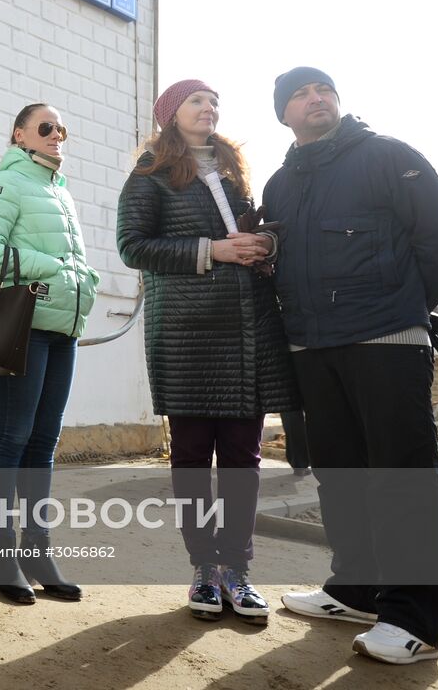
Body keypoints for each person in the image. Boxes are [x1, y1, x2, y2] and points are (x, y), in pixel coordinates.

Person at [264, 67, 438, 665]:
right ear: (283, 114)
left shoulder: (387, 156)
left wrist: (402, 308)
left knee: (401, 475)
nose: (316, 97)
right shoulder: (280, 184)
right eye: (300, 93)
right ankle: (355, 589)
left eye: (323, 88)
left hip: (385, 341)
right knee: (340, 474)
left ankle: (415, 619)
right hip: (311, 345)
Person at [116, 79, 298, 625]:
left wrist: (264, 242)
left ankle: (238, 571)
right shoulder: (151, 170)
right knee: (193, 459)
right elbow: (133, 246)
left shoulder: (233, 169)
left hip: (248, 331)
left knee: (243, 460)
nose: (209, 108)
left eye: (214, 102)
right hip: (188, 334)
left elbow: (253, 233)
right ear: (172, 114)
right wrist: (211, 250)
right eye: (197, 101)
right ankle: (203, 568)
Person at [0, 103, 99, 605]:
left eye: (62, 129)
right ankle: (1, 559)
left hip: (63, 329)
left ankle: (37, 550)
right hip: (25, 325)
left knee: (45, 440)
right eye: (46, 128)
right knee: (14, 436)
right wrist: (53, 268)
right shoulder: (9, 183)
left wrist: (85, 280)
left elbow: (74, 260)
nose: (56, 136)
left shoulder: (59, 191)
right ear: (20, 134)